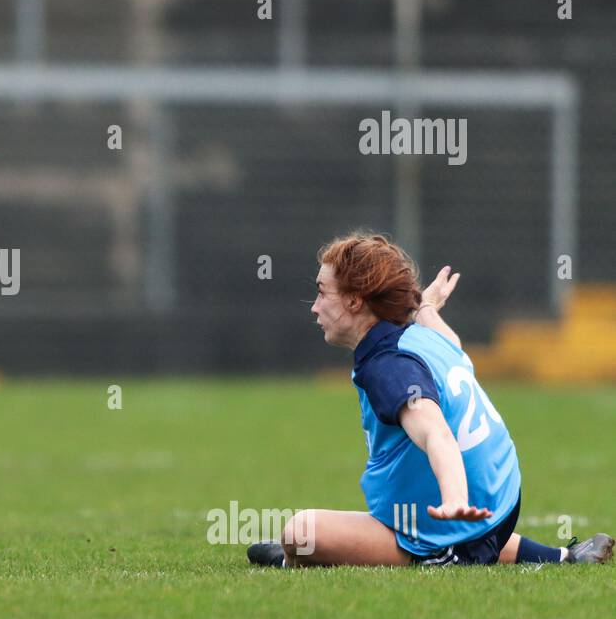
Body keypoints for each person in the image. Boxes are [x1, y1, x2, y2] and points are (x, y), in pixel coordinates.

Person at [247, 231, 611, 568]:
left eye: (323, 292)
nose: (314, 307)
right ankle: (559, 556)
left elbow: (435, 432)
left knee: (301, 533)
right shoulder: (420, 333)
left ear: (355, 300)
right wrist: (427, 307)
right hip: (500, 501)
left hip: (462, 519)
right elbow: (455, 347)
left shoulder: (387, 365)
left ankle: (300, 560)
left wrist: (454, 500)